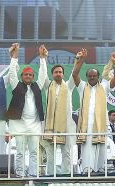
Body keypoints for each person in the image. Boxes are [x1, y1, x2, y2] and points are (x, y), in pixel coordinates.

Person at [6, 44, 45, 177]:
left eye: (30, 75)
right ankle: (20, 174)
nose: (28, 76)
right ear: (22, 76)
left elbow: (43, 75)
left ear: (33, 77)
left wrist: (42, 58)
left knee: (34, 152)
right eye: (26, 74)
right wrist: (15, 57)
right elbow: (12, 72)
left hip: (34, 125)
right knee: (21, 152)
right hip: (19, 125)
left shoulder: (38, 86)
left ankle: (33, 174)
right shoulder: (16, 86)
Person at [38, 45, 77, 175]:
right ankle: (50, 175)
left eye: (60, 72)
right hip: (50, 126)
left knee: (66, 153)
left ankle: (66, 175)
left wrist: (79, 60)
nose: (58, 74)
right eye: (56, 72)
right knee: (50, 153)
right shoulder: (48, 86)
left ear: (63, 74)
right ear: (52, 74)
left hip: (66, 125)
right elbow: (42, 75)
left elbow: (75, 73)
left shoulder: (68, 86)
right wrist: (43, 58)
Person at [74, 49, 113, 173]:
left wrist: (114, 63)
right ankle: (87, 171)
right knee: (87, 150)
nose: (92, 77)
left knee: (101, 149)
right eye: (90, 76)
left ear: (98, 77)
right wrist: (81, 61)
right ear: (87, 77)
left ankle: (100, 171)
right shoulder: (82, 87)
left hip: (101, 124)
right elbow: (75, 75)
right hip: (86, 126)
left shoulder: (104, 87)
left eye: (94, 76)